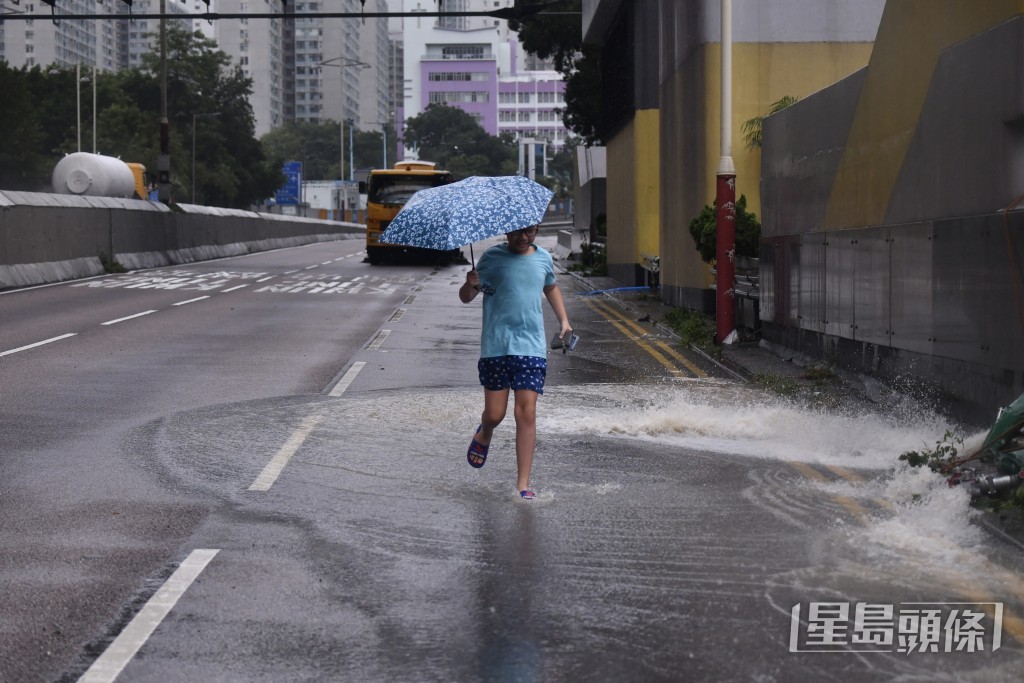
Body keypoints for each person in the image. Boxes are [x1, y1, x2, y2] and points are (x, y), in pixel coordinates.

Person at [459, 225, 572, 500]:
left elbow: (551, 287)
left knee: (526, 412)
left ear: (536, 230)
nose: (524, 238)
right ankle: (485, 431)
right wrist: (470, 283)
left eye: (530, 232)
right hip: (496, 347)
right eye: (517, 233)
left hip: (531, 348)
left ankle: (523, 484)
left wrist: (564, 321)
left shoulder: (543, 258)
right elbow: (467, 297)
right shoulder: (490, 258)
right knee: (495, 415)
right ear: (506, 232)